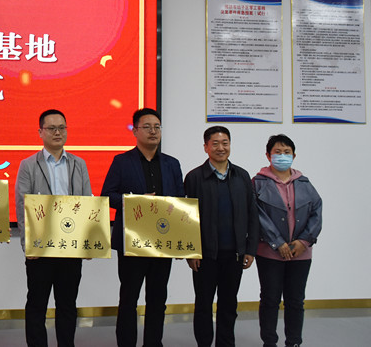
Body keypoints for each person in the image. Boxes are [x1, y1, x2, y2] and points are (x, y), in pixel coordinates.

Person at [101, 108, 184, 347]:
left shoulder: (172, 164)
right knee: (129, 299)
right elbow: (107, 196)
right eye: (147, 127)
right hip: (131, 242)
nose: (153, 131)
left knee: (158, 300)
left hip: (162, 242)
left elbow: (181, 201)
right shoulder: (122, 161)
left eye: (157, 127)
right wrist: (135, 201)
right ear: (135, 131)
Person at [15, 109, 92, 347]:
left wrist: (88, 243)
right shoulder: (28, 165)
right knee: (37, 305)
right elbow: (22, 206)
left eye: (62, 128)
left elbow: (87, 203)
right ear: (40, 132)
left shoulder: (79, 164)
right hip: (41, 249)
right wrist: (28, 245)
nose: (57, 132)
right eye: (51, 128)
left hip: (70, 248)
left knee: (67, 305)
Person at [184, 126, 259, 347]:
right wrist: (191, 252)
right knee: (203, 305)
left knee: (229, 305)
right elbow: (185, 219)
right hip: (205, 255)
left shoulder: (242, 176)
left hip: (234, 254)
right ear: (206, 147)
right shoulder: (194, 177)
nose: (220, 148)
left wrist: (250, 249)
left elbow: (252, 214)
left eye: (225, 143)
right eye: (215, 143)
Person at [253, 134, 322, 347]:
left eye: (287, 152)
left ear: (294, 155)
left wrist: (303, 242)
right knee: (270, 299)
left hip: (300, 254)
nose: (282, 156)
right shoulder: (258, 183)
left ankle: (294, 342)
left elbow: (316, 212)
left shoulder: (304, 183)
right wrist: (278, 243)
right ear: (268, 155)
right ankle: (269, 342)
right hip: (269, 253)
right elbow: (256, 215)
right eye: (277, 152)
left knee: (295, 301)